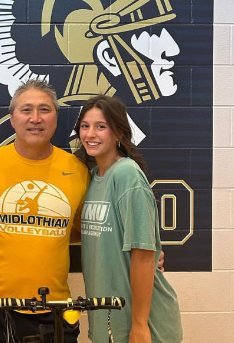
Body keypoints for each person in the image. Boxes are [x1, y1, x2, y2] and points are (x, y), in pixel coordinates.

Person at [0, 79, 90, 343]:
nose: (35, 118)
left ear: (56, 117)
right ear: (12, 118)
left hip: (55, 307)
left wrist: (141, 250)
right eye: (26, 110)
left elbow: (86, 232)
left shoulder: (77, 169)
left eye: (45, 109)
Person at [73, 95, 182, 343]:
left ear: (119, 133)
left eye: (101, 126)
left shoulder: (127, 174)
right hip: (107, 317)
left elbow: (143, 252)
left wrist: (140, 325)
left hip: (141, 322)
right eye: (85, 126)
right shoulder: (92, 177)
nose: (91, 134)